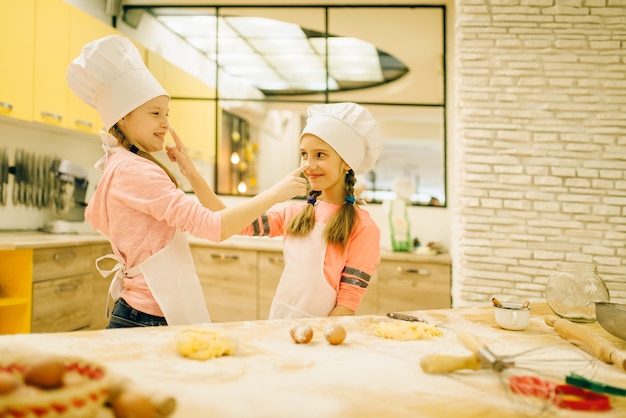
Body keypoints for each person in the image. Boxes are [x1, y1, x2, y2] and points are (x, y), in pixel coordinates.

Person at [66, 35, 308, 328]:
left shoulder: (123, 164)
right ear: (123, 118)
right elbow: (215, 227)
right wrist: (276, 193)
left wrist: (191, 172)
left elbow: (217, 218)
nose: (165, 123)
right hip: (146, 317)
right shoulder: (137, 171)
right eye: (155, 113)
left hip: (142, 312)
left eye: (166, 114)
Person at [239, 102, 384, 319]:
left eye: (320, 155)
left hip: (320, 336)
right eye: (304, 154)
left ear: (346, 162)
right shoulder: (295, 213)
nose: (308, 164)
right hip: (278, 322)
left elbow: (347, 304)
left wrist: (318, 339)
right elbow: (230, 223)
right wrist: (194, 175)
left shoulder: (363, 227)